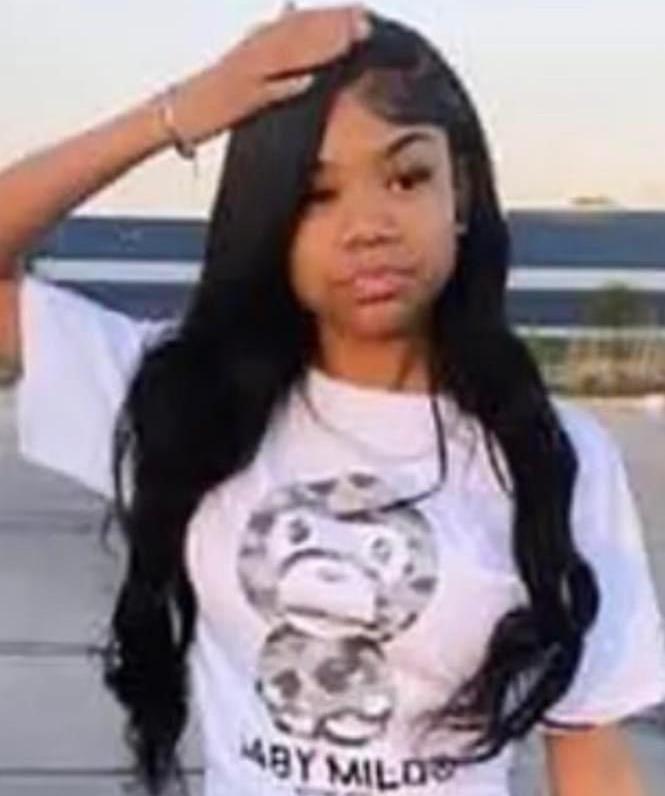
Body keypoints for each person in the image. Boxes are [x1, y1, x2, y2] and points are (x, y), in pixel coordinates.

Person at [1, 5, 664, 795]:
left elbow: (589, 755)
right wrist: (182, 111)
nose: (367, 226)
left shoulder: (554, 456)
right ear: (269, 224)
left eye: (406, 178)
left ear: (460, 192)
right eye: (316, 195)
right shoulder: (188, 398)